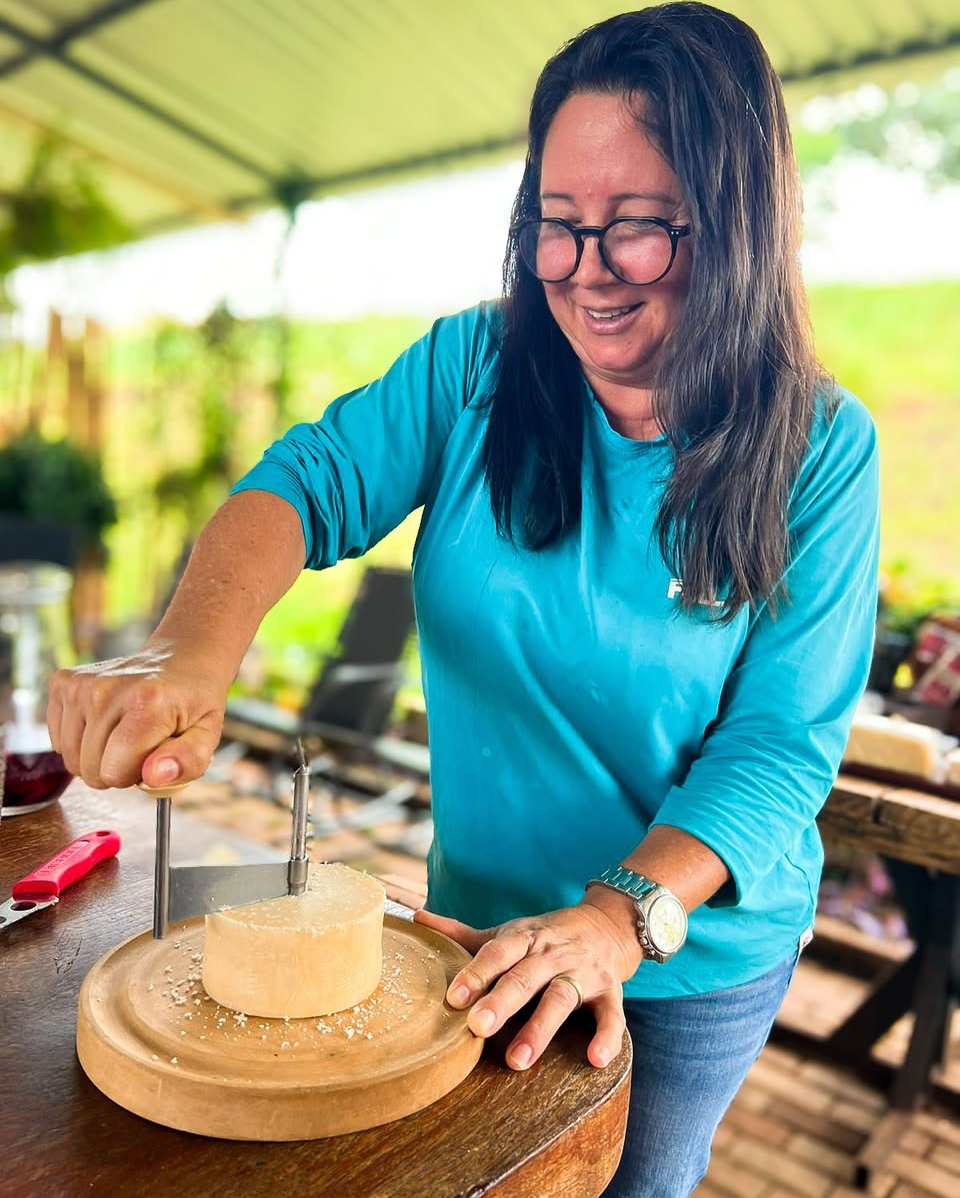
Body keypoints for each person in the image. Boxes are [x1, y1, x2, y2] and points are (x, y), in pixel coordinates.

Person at [47, 4, 880, 1195]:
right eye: (556, 224)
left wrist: (612, 918)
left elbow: (778, 749)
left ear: (737, 224)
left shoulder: (822, 449)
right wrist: (186, 654)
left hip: (687, 956)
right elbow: (306, 481)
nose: (583, 274)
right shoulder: (476, 367)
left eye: (636, 229)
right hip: (471, 927)